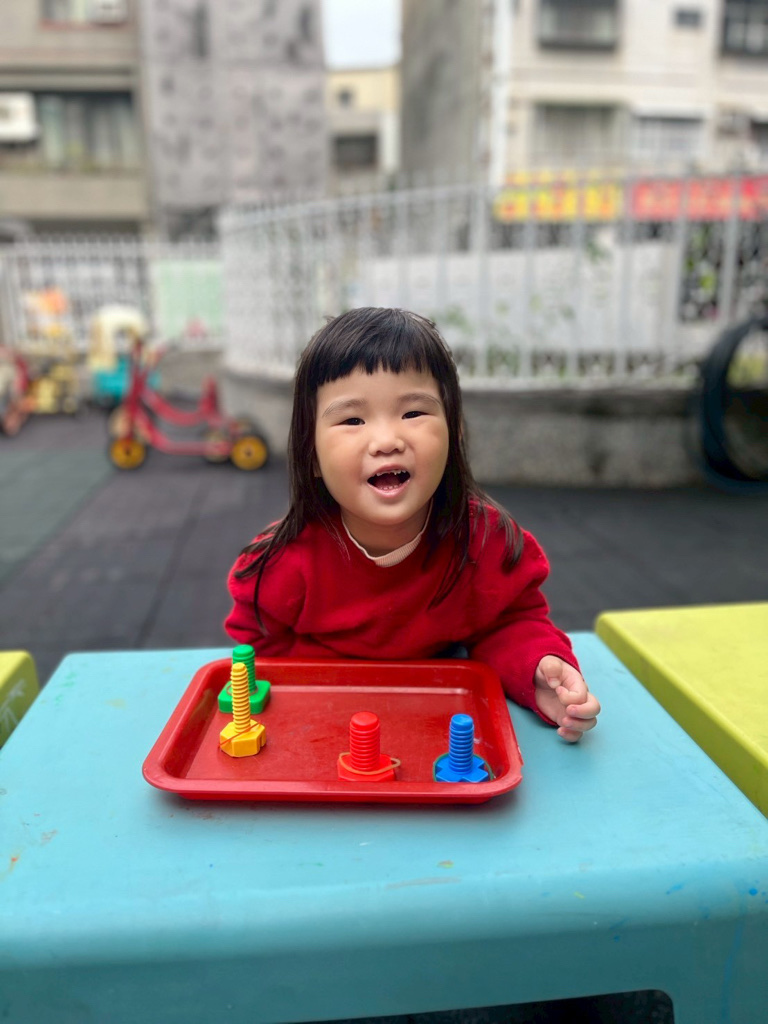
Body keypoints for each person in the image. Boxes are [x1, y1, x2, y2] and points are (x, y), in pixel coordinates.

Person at [225, 307, 600, 741]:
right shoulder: (281, 563)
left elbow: (510, 623)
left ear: (454, 432)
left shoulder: (484, 543)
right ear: (311, 455)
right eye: (352, 420)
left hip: (444, 730)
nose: (387, 441)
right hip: (325, 735)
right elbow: (259, 650)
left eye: (413, 413)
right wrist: (337, 687)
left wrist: (538, 669)